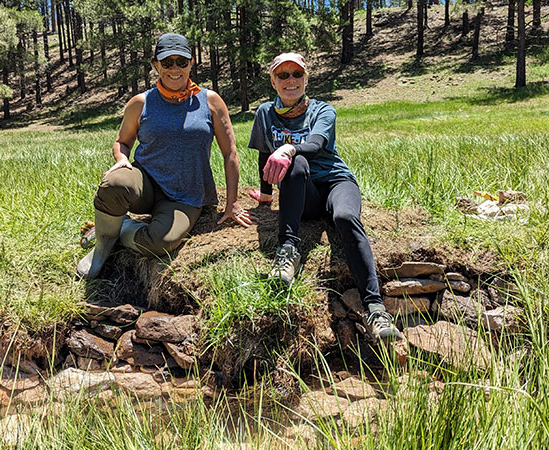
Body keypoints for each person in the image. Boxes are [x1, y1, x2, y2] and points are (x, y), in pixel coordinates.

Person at [248, 52, 401, 342]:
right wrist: (266, 198)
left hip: (335, 182)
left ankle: (375, 309)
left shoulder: (322, 110)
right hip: (302, 193)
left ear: (306, 78)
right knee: (296, 164)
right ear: (273, 80)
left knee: (344, 217)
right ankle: (288, 253)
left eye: (296, 74)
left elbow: (317, 144)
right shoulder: (264, 113)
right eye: (283, 75)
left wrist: (289, 148)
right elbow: (265, 156)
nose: (290, 80)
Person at [78, 33, 254, 279]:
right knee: (114, 183)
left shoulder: (210, 101)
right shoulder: (141, 102)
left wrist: (232, 202)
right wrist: (122, 159)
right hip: (146, 185)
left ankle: (121, 229)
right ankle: (102, 244)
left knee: (160, 243)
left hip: (186, 195)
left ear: (191, 63)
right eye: (167, 62)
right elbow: (123, 141)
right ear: (155, 65)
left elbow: (230, 153)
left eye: (181, 62)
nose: (174, 68)